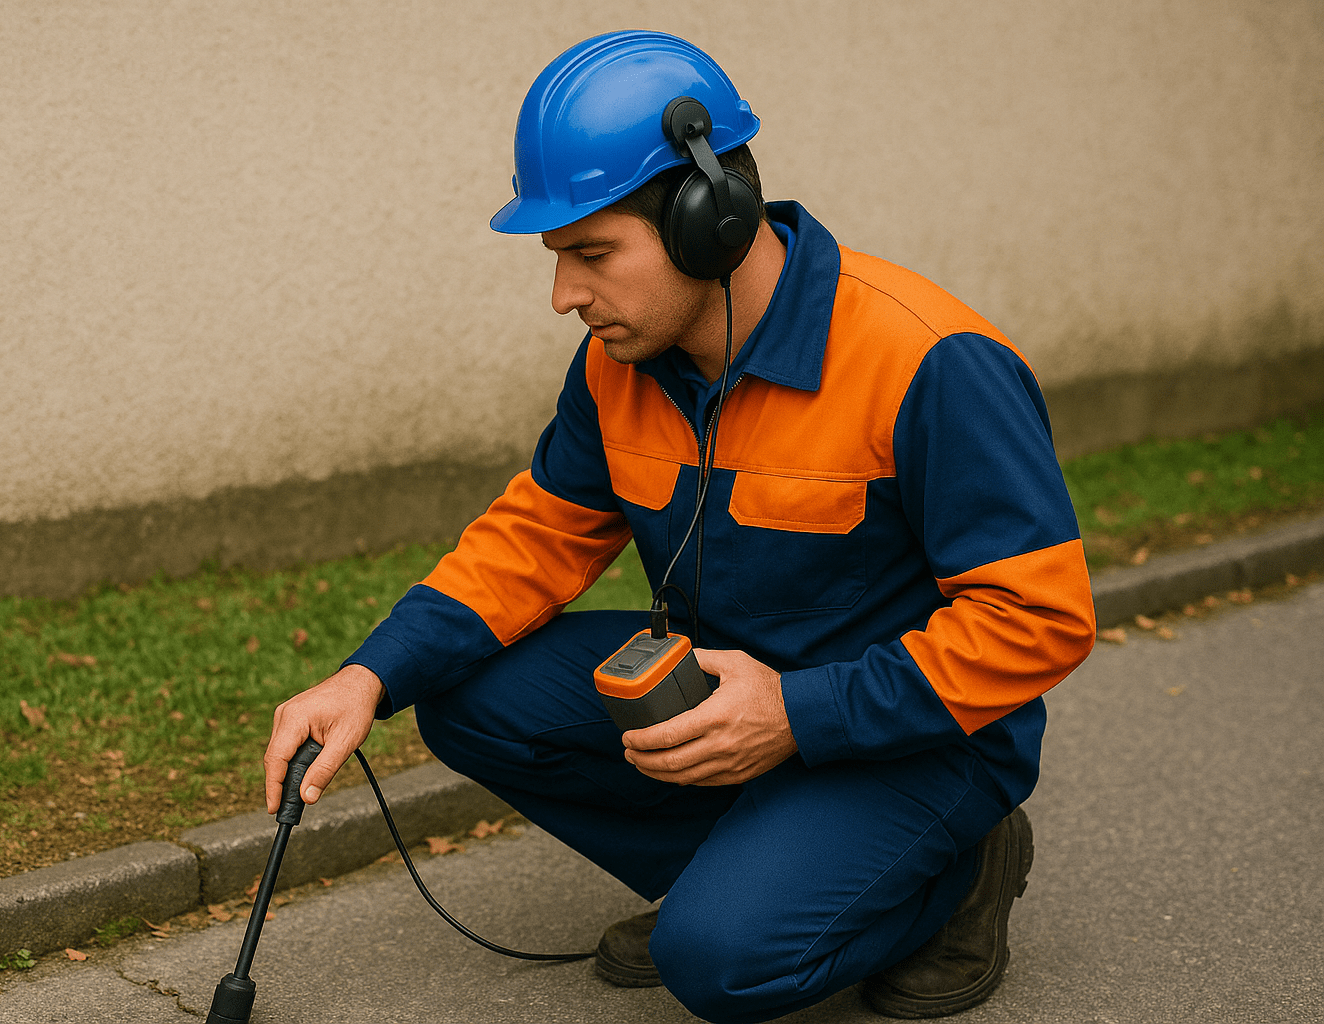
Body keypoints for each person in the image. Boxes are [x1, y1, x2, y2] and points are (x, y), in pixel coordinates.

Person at [264, 30, 1096, 1023]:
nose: (564, 296)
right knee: (461, 693)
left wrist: (796, 713)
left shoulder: (930, 362)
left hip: (919, 737)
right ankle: (749, 867)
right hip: (730, 696)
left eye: (592, 255)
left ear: (713, 221)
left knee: (719, 965)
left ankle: (958, 875)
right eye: (557, 258)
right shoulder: (618, 365)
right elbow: (536, 538)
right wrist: (368, 674)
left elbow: (1040, 619)